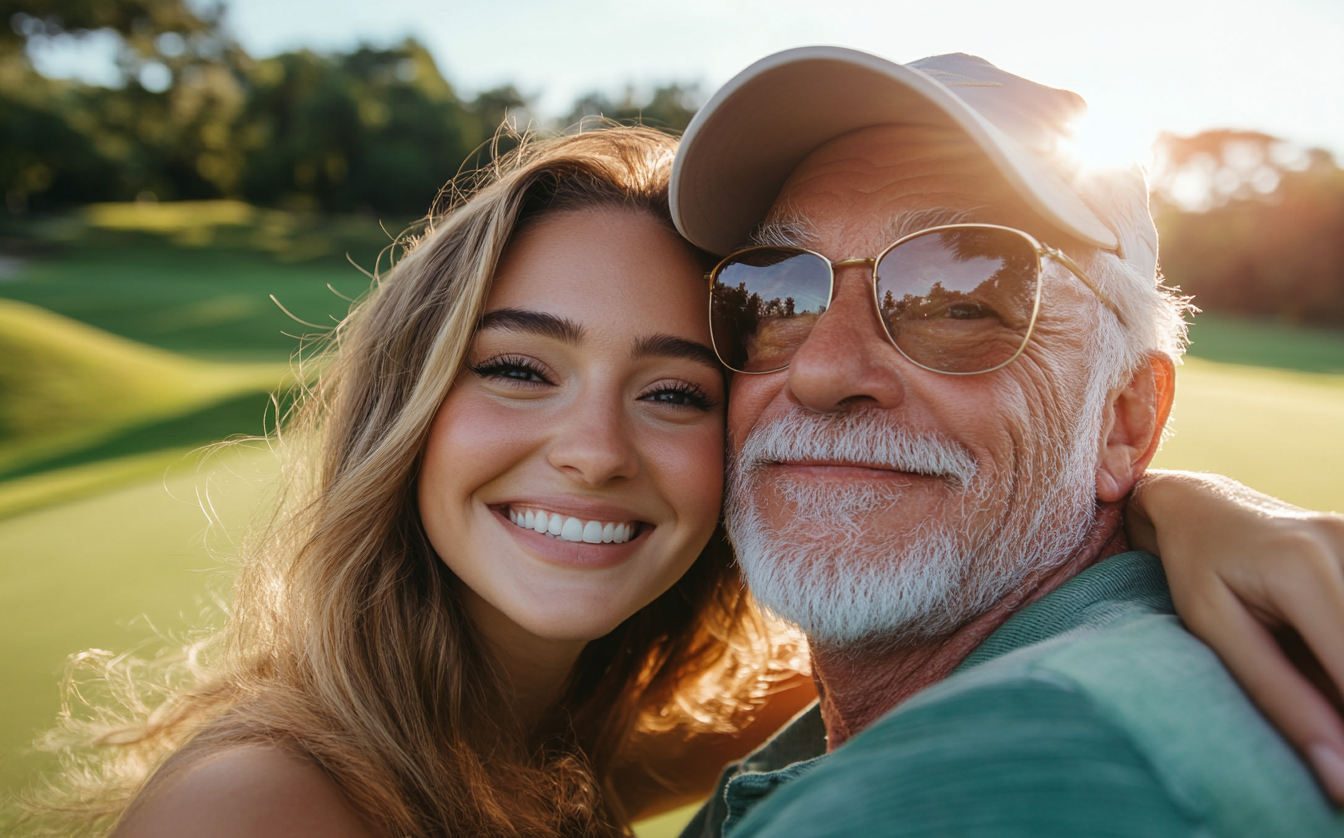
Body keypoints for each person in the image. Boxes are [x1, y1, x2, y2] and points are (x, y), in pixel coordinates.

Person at [28, 124, 1344, 838]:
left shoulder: (580, 747)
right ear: (407, 407)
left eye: (670, 388)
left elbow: (928, 624)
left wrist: (1163, 501)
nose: (596, 450)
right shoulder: (266, 804)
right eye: (519, 370)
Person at [667, 47, 1344, 837]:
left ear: (1125, 418)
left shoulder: (981, 784)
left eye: (959, 303)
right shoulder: (861, 723)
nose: (819, 371)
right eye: (776, 292)